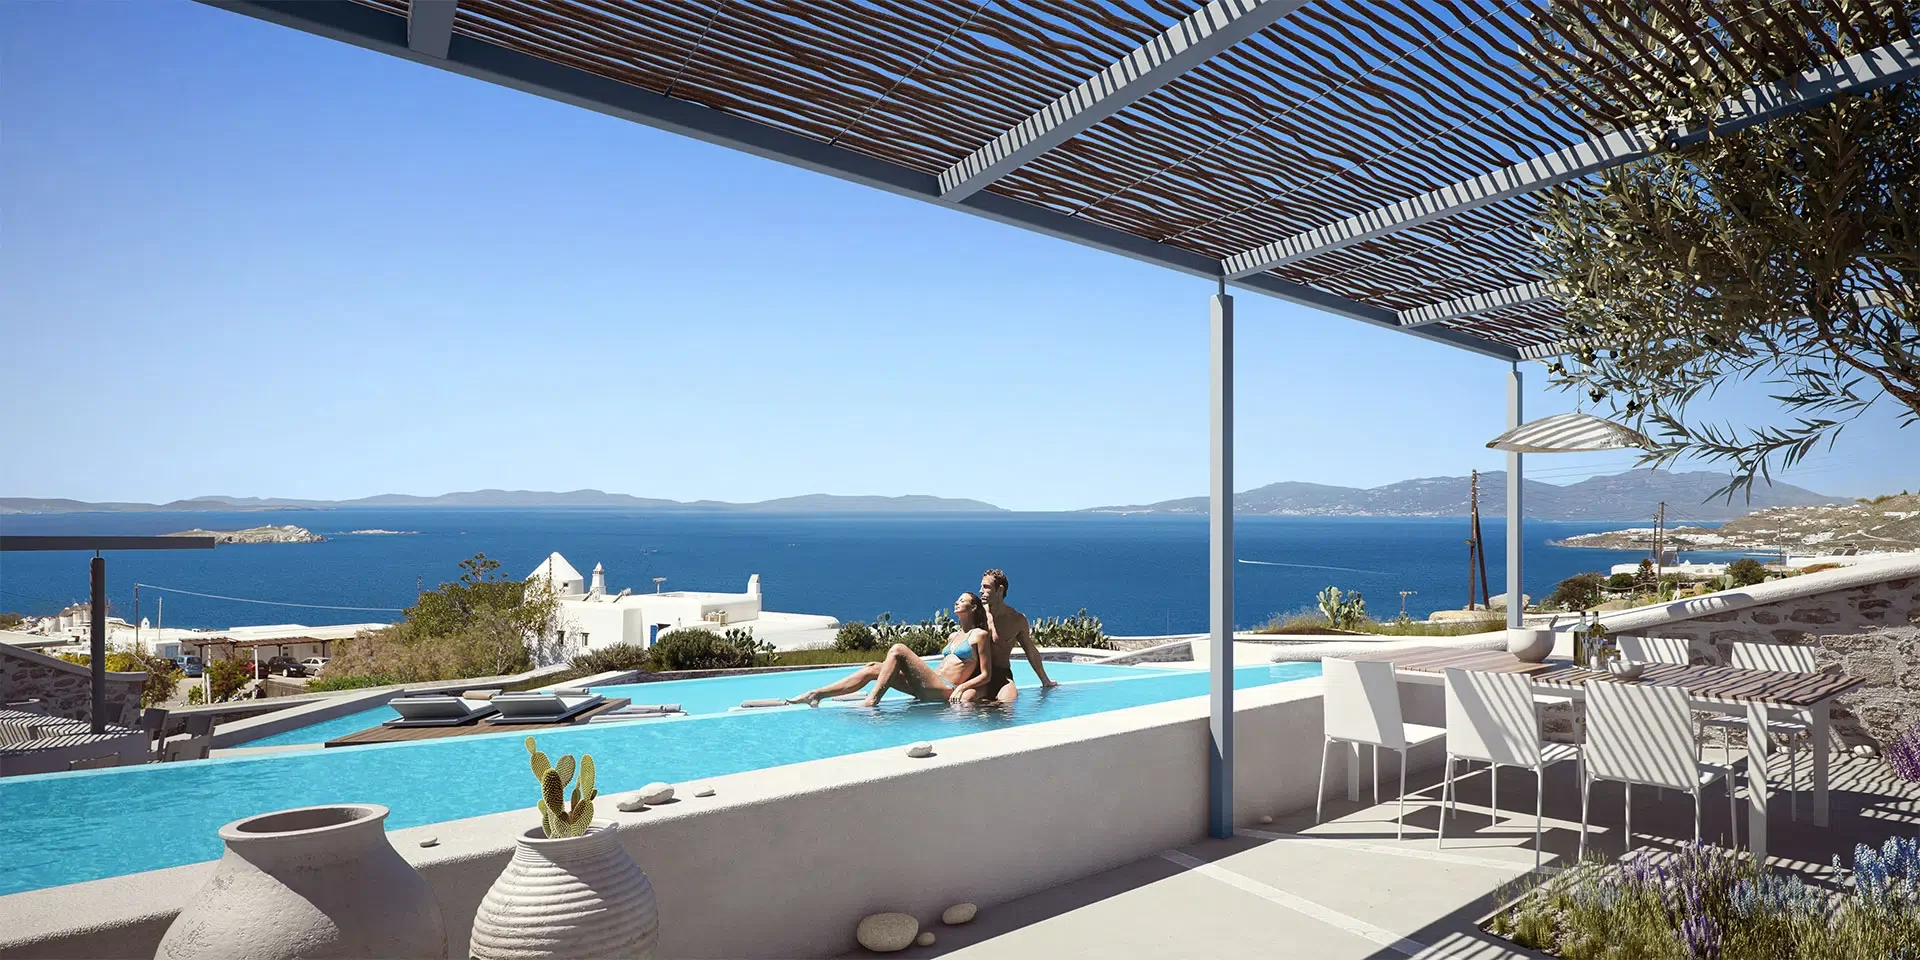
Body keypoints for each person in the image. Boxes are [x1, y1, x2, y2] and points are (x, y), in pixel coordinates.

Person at [785, 593, 990, 707]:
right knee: (873, 667)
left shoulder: (979, 635)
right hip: (929, 683)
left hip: (945, 689)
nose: (957, 602)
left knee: (898, 649)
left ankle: (871, 701)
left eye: (963, 600)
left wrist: (962, 688)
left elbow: (985, 675)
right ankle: (817, 694)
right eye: (957, 599)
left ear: (973, 608)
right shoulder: (953, 636)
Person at [957, 568, 1058, 703]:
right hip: (978, 676)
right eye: (981, 586)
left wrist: (1045, 680)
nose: (981, 591)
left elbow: (1030, 650)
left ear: (1000, 590)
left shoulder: (1016, 619)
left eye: (986, 587)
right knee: (964, 702)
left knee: (1008, 704)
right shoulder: (977, 615)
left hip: (1002, 676)